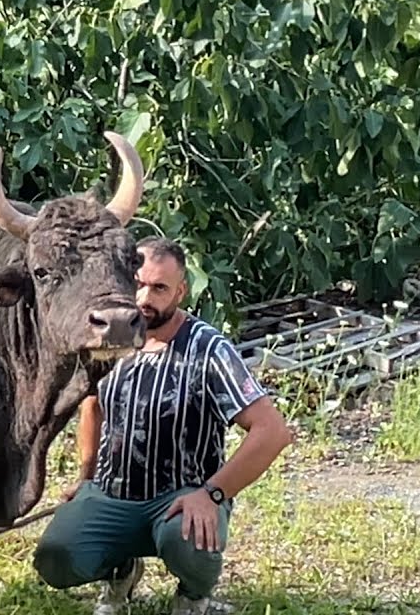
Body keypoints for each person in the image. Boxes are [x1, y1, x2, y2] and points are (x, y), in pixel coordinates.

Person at [32, 236, 295, 615]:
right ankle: (119, 571)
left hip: (181, 499)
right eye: (137, 284)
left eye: (159, 288)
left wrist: (213, 494)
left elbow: (272, 432)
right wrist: (85, 477)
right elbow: (92, 404)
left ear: (181, 291)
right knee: (55, 558)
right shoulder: (111, 339)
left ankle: (193, 595)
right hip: (113, 495)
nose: (144, 298)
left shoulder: (208, 348)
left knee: (189, 542)